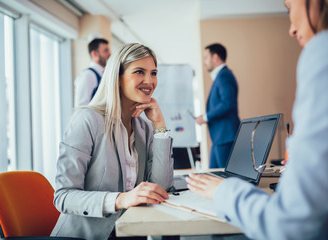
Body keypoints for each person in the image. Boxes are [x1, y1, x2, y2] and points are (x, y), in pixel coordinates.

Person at [187, 0, 328, 239]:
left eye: (289, 7)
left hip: (225, 135)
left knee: (224, 180)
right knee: (222, 174)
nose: (291, 29)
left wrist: (224, 192)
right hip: (220, 135)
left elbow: (293, 225)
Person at [51, 43, 174, 240]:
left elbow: (161, 187)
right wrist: (121, 199)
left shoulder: (144, 127)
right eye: (139, 72)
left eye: (153, 73)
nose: (149, 81)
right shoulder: (88, 120)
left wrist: (160, 126)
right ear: (117, 77)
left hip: (130, 232)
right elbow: (64, 196)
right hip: (86, 236)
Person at [196, 43, 240, 168]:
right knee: (215, 176)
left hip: (225, 136)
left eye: (206, 58)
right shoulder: (221, 76)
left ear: (215, 57)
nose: (204, 62)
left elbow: (227, 103)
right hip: (219, 138)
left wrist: (205, 117)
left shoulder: (224, 76)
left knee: (225, 177)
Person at [74, 38, 111, 107]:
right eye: (106, 51)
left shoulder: (103, 74)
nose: (110, 54)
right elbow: (81, 107)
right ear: (94, 54)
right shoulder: (88, 75)